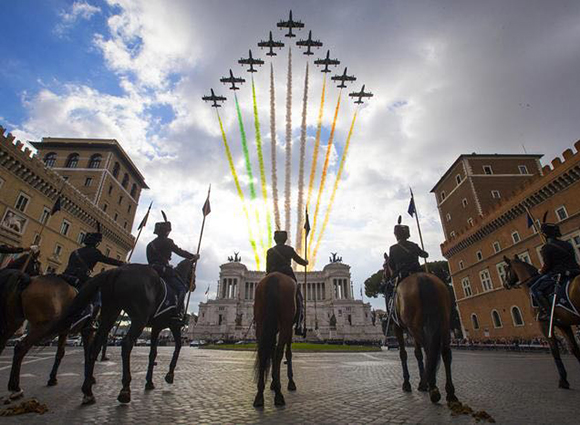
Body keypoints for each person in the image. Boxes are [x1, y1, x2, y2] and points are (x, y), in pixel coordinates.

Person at [146, 215, 199, 324]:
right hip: (163, 270)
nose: (168, 233)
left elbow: (149, 260)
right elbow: (179, 252)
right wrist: (193, 256)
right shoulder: (167, 242)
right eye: (168, 231)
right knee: (181, 289)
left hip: (151, 269)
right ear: (165, 232)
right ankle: (176, 314)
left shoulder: (149, 245)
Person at [529, 222, 580, 320]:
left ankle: (548, 313)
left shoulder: (547, 248)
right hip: (575, 271)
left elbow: (548, 265)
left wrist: (541, 271)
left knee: (534, 289)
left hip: (559, 274)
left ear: (545, 235)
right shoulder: (567, 244)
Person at [265, 230, 308, 336]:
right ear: (285, 239)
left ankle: (258, 320)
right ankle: (298, 325)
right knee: (299, 299)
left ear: (275, 239)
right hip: (287, 273)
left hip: (272, 272)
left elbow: (267, 268)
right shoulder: (289, 250)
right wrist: (306, 262)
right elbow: (299, 261)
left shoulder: (270, 251)